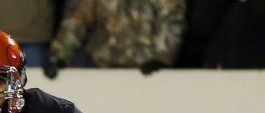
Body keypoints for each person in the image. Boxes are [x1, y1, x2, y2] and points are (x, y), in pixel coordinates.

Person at [48, 0, 186, 73]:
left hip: (147, 70)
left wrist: (162, 57)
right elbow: (78, 18)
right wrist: (60, 55)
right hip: (103, 67)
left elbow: (172, 20)